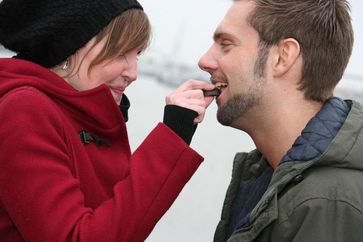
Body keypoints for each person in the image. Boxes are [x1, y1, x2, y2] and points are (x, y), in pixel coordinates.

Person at [0, 0, 216, 241]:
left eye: (137, 54)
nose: (133, 73)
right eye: (121, 52)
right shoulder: (25, 110)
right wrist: (172, 136)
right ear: (70, 47)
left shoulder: (70, 113)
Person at [198, 0, 363, 241]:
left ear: (282, 57)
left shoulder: (327, 204)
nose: (204, 60)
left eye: (226, 44)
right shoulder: (268, 176)